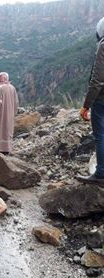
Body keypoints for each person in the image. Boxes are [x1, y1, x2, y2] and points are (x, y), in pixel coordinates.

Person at [78, 17, 104, 185]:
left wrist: (86, 105)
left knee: (101, 135)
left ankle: (101, 173)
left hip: (102, 99)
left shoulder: (103, 45)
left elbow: (97, 80)